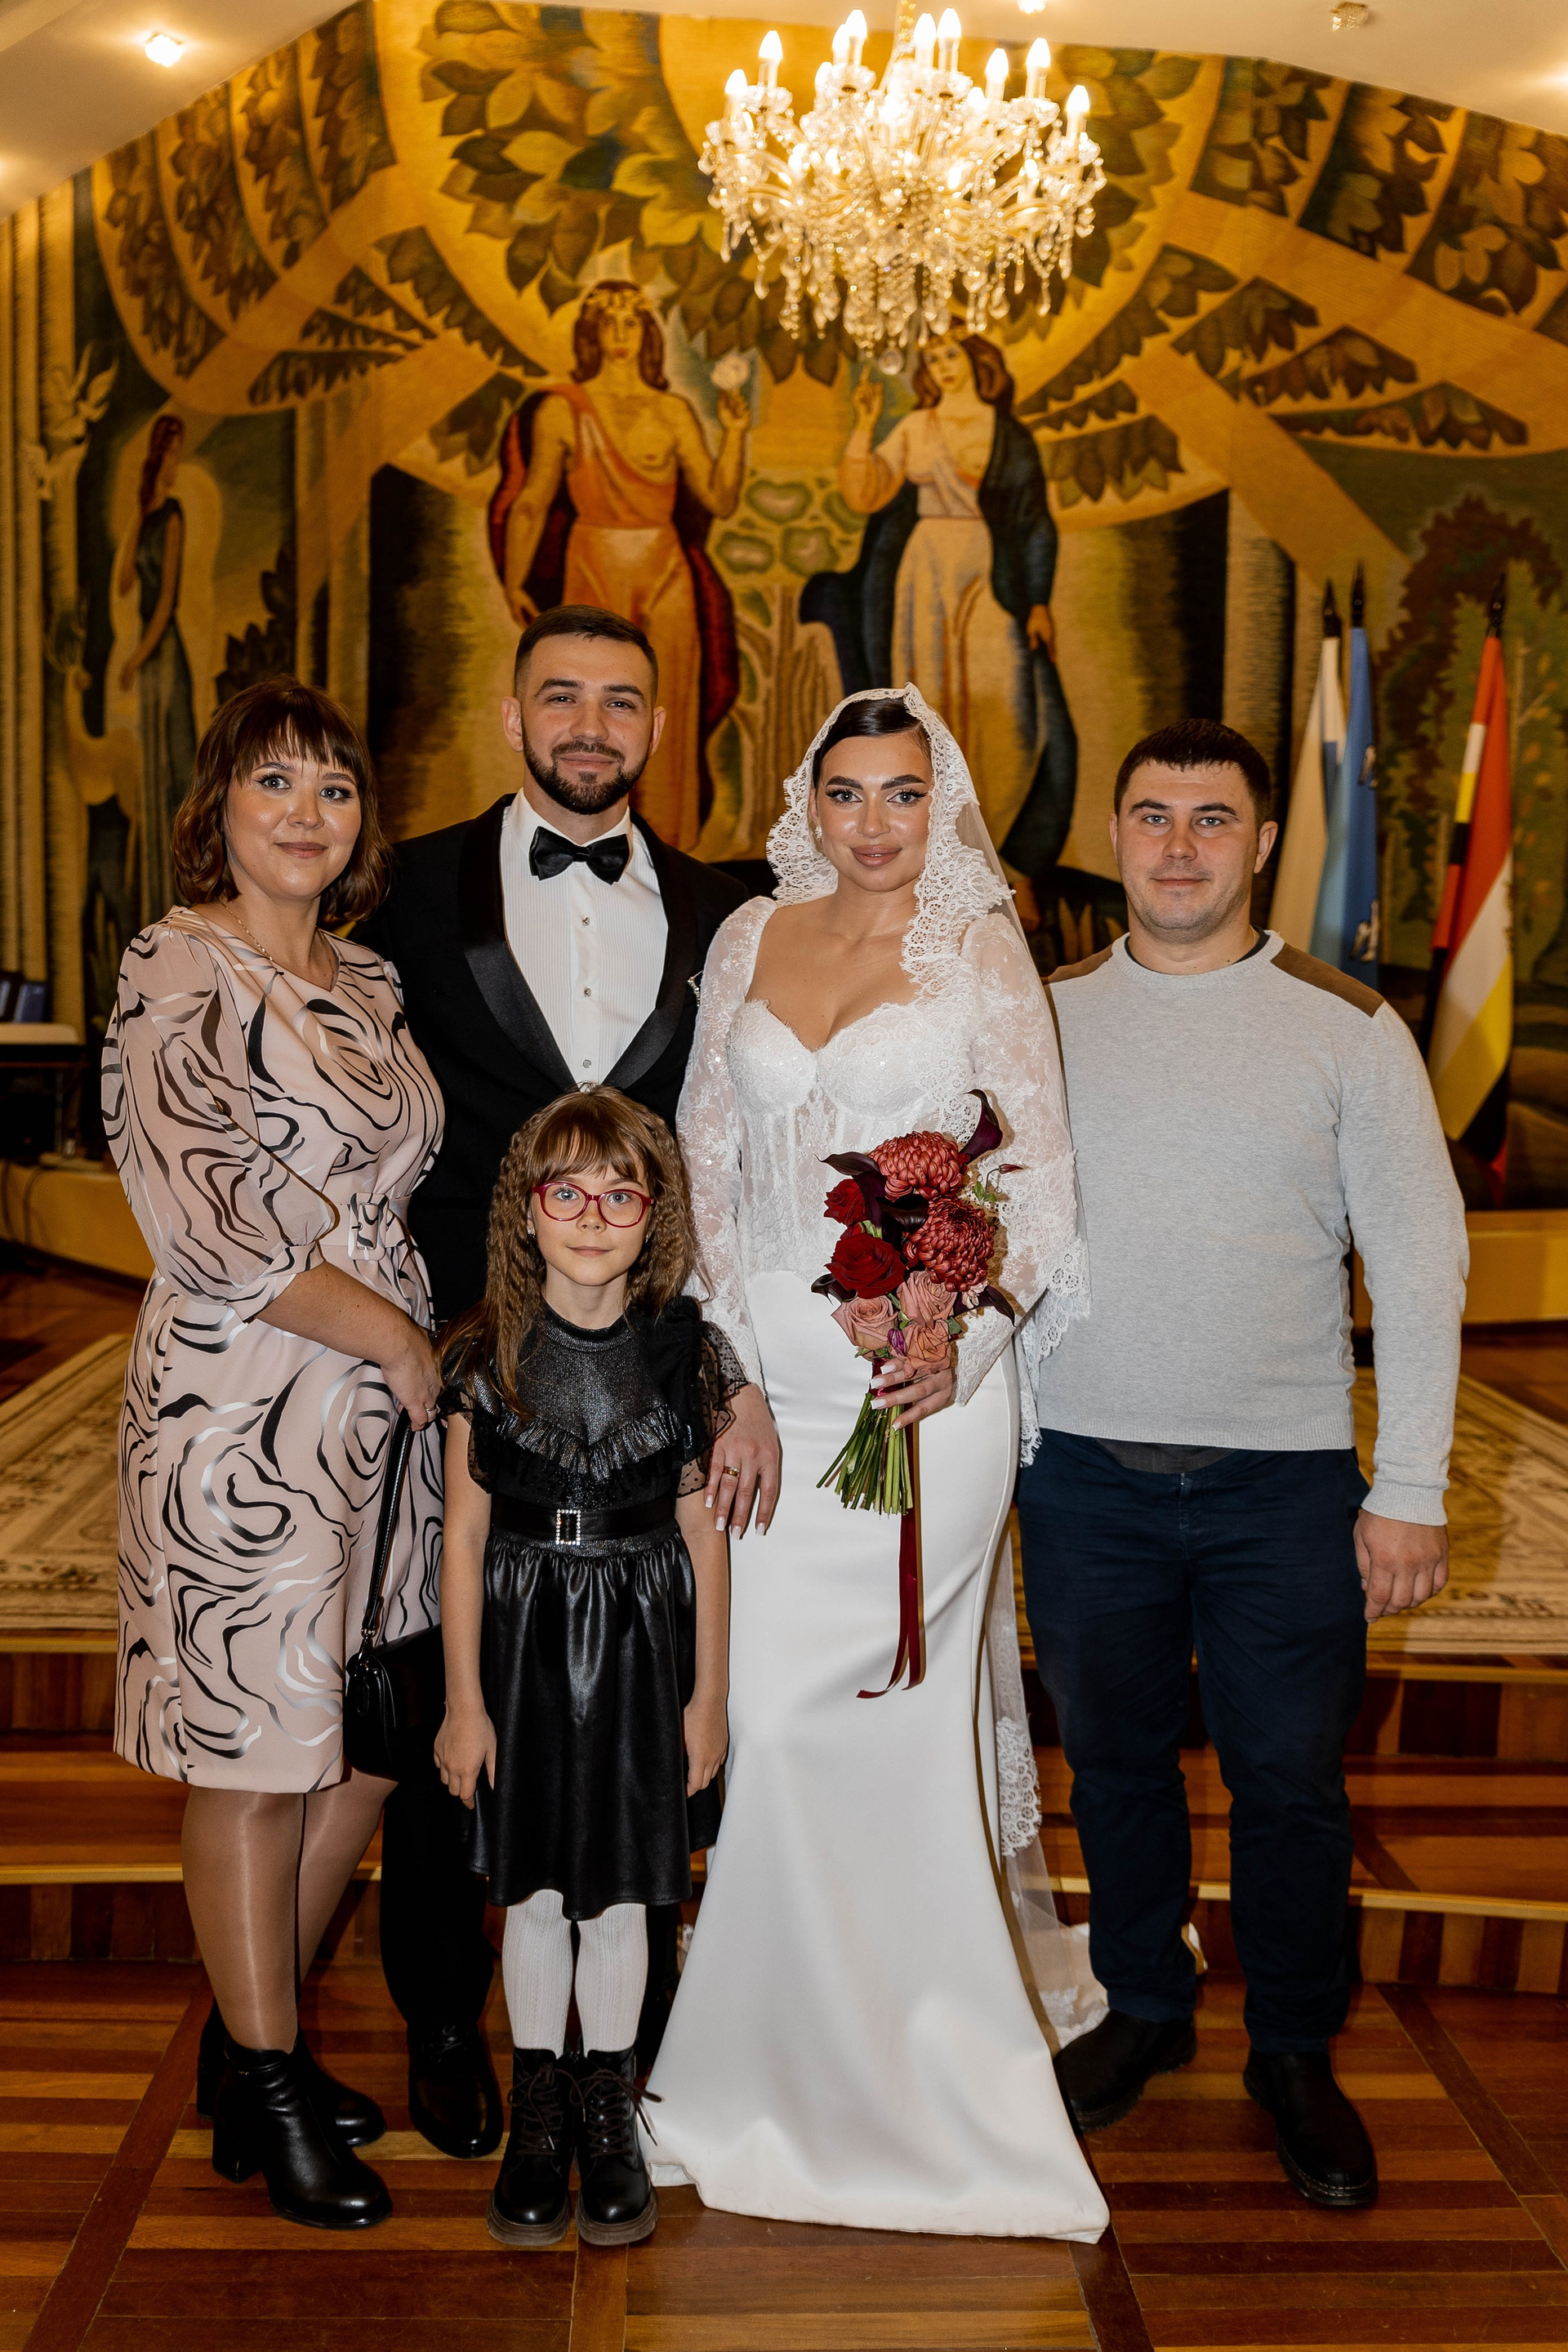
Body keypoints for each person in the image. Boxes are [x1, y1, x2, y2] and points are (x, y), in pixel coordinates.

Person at [648, 684, 1107, 2240]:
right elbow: (706, 1169)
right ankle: (762, 2057)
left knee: (889, 1715)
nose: (873, 822)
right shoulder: (747, 938)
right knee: (772, 1719)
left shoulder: (979, 952)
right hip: (767, 1380)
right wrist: (728, 1378)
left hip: (927, 1385)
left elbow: (1041, 1184)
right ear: (808, 802)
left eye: (903, 792)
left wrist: (959, 1336)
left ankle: (924, 2066)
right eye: (845, 792)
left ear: (941, 802)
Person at [1018, 716, 1468, 2211]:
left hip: (1283, 1483)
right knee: (1115, 1765)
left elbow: (1420, 1267)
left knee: (1288, 1782)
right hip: (1084, 1475)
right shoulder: (1042, 1018)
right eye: (1153, 816)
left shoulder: (1349, 1027)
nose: (1180, 846)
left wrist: (1409, 1486)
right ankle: (1145, 2002)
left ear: (1264, 843)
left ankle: (1292, 2047)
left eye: (1213, 820)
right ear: (1115, 835)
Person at [356, 604, 778, 2158]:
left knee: (632, 1682)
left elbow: (743, 1141)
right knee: (450, 1678)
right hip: (458, 1353)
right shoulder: (406, 887)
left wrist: (732, 1366)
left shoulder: (734, 912)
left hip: (647, 1357)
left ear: (659, 725)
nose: (590, 724)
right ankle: (440, 2020)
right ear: (512, 713)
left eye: (619, 700)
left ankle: (618, 2051)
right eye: (561, 696)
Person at [102, 679, 447, 2230]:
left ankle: (253, 2059)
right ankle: (271, 2072)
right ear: (219, 809)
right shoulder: (176, 962)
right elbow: (207, 1219)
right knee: (254, 1752)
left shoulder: (368, 976)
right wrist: (393, 1339)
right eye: (275, 782)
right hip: (242, 1408)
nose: (307, 812)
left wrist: (413, 1357)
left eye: (334, 787)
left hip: (383, 1424)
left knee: (368, 1744)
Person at [434, 1088, 742, 2251]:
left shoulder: (686, 1353)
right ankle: (540, 2110)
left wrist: (708, 1698)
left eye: (621, 1196)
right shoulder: (483, 1355)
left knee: (619, 1888)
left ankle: (609, 2111)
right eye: (566, 1194)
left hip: (641, 1646)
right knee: (533, 1889)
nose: (593, 1219)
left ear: (655, 1215)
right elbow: (462, 1539)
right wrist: (464, 1704)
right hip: (518, 1645)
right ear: (526, 1211)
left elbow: (705, 1535)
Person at [803, 329, 1077, 880]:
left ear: (977, 360)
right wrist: (864, 424)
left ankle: (991, 844)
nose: (943, 367)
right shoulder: (916, 426)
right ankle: (932, 851)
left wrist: (1038, 601)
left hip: (989, 570)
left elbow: (1033, 521)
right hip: (925, 569)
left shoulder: (1007, 433)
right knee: (930, 707)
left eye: (951, 354)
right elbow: (866, 493)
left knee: (1007, 712)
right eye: (932, 359)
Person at [488, 282, 746, 849]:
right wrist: (513, 580)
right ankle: (581, 836)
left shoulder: (672, 411)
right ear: (593, 334)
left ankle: (667, 849)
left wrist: (735, 434)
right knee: (587, 708)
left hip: (664, 567)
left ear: (647, 335)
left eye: (633, 323)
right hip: (594, 560)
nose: (622, 334)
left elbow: (720, 499)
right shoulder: (564, 408)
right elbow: (532, 501)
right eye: (610, 323)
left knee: (666, 709)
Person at [118, 412, 197, 926]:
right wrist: (138, 510)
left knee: (175, 772)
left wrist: (136, 658)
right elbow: (125, 581)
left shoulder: (174, 517)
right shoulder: (150, 515)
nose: (175, 463)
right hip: (149, 656)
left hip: (163, 653)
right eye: (171, 453)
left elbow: (166, 602)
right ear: (159, 454)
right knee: (150, 776)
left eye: (178, 453)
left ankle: (185, 898)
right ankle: (154, 902)